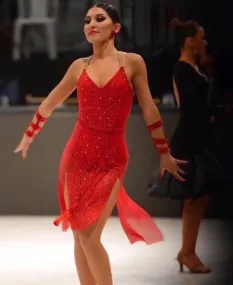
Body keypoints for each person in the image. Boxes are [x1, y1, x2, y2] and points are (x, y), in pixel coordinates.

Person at [15, 3, 185, 284]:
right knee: (80, 236)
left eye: (99, 18)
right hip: (77, 155)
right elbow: (51, 101)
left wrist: (164, 151)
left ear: (115, 28)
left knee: (90, 236)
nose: (91, 24)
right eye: (87, 20)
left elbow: (149, 109)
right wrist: (29, 134)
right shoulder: (78, 66)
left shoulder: (132, 62)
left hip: (112, 158)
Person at [170, 18, 213, 273]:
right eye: (201, 36)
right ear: (190, 41)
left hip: (199, 137)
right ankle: (187, 252)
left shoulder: (194, 68)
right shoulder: (183, 69)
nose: (205, 41)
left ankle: (187, 250)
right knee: (194, 197)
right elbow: (191, 110)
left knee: (199, 197)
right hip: (190, 140)